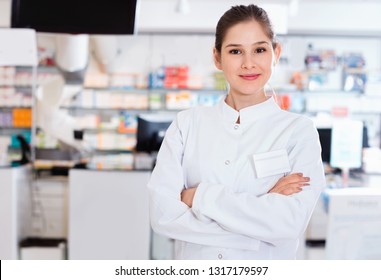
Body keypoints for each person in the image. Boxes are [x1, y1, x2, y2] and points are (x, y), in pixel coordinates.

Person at [147, 4, 325, 260]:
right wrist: (260, 222)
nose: (248, 63)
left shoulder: (298, 132)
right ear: (217, 58)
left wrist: (199, 196)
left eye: (260, 50)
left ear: (276, 53)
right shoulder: (187, 125)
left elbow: (288, 224)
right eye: (235, 51)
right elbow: (164, 216)